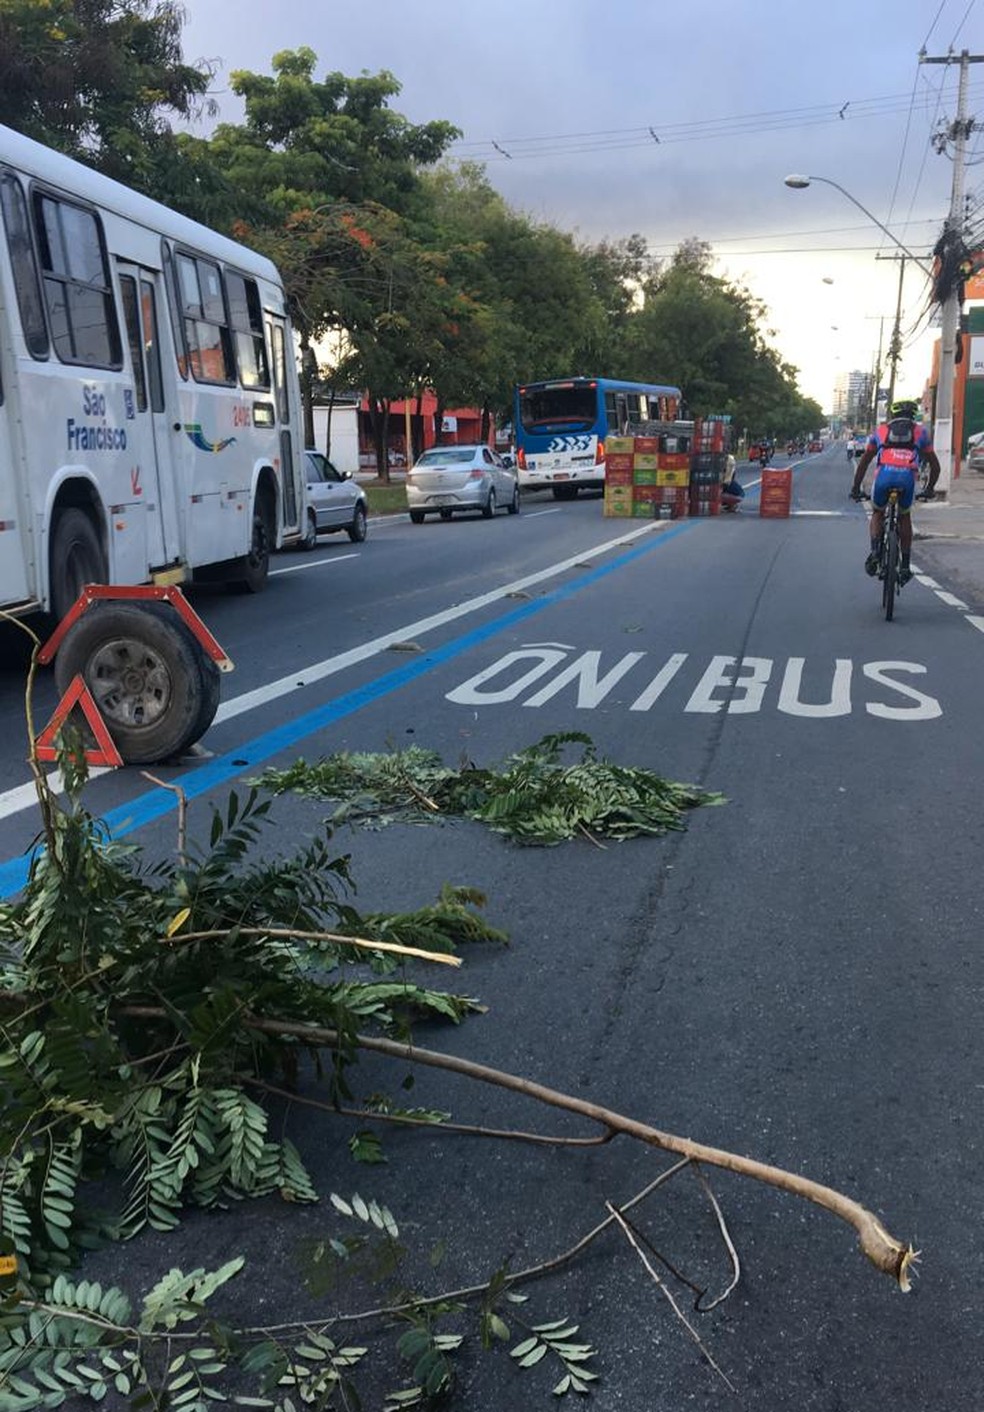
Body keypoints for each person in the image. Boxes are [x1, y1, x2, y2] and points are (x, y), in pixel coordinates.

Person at [850, 399, 940, 586]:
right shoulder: (921, 432)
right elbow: (935, 466)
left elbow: (865, 462)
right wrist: (929, 489)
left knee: (878, 512)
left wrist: (856, 488)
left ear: (893, 414)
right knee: (905, 516)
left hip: (884, 478)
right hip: (907, 480)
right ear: (913, 415)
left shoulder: (881, 431)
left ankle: (875, 552)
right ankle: (905, 565)